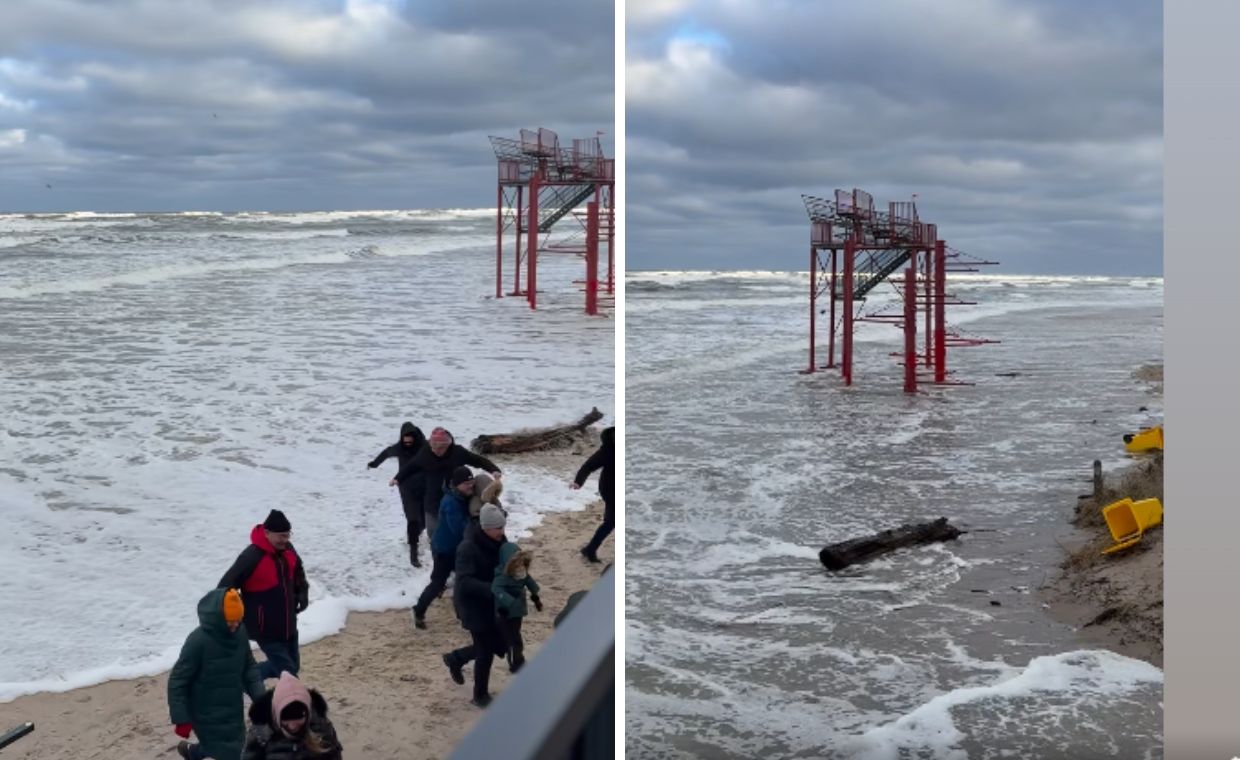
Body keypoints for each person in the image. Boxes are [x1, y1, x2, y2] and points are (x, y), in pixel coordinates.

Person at [168, 588, 266, 760]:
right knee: (231, 752)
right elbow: (178, 680)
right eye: (231, 621)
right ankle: (195, 752)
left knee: (234, 745)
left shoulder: (239, 633)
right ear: (219, 619)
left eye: (238, 620)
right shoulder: (198, 641)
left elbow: (249, 667)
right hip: (204, 711)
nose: (236, 625)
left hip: (233, 706)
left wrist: (261, 698)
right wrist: (181, 718)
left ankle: (193, 752)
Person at [218, 509, 310, 680]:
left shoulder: (288, 549)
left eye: (288, 535)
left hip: (289, 623)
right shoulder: (251, 556)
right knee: (289, 672)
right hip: (264, 629)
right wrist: (233, 617)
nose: (286, 540)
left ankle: (246, 676)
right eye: (281, 536)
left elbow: (298, 570)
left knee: (293, 666)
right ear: (267, 533)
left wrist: (302, 592)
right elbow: (224, 588)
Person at [442, 504, 509, 708]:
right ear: (486, 528)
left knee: (500, 644)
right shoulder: (468, 547)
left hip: (490, 602)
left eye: (503, 527)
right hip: (471, 605)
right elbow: (464, 583)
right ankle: (480, 695)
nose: (502, 532)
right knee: (486, 651)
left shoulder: (499, 540)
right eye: (497, 528)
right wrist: (493, 588)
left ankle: (456, 658)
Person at [390, 427, 502, 541]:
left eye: (441, 447)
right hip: (432, 500)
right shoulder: (425, 453)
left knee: (458, 532)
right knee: (434, 536)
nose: (437, 450)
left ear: (448, 445)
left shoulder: (458, 452)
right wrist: (398, 478)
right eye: (434, 446)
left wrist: (493, 469)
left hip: (456, 498)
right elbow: (411, 466)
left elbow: (477, 460)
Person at [411, 466, 475, 630]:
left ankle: (464, 618)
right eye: (467, 484)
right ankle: (418, 610)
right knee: (438, 583)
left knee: (462, 582)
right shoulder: (450, 502)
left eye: (472, 483)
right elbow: (459, 529)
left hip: (458, 549)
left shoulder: (461, 496)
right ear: (457, 484)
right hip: (445, 551)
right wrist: (477, 522)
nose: (470, 487)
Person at [242, 671, 342, 760]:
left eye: (299, 717)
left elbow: (334, 756)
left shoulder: (321, 727)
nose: (292, 725)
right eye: (286, 718)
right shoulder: (261, 733)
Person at [368, 421, 428, 566]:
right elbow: (386, 453)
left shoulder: (425, 446)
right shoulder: (399, 448)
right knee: (412, 519)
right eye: (404, 439)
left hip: (424, 486)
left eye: (410, 439)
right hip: (406, 487)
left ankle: (415, 535)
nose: (407, 442)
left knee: (424, 520)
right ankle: (413, 553)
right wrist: (374, 464)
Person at [492, 543, 542, 673]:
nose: (520, 566)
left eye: (521, 562)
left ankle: (516, 659)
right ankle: (516, 663)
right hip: (505, 613)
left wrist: (535, 595)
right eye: (516, 563)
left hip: (517, 611)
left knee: (514, 636)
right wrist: (508, 602)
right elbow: (496, 589)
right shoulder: (502, 577)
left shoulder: (521, 573)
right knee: (513, 640)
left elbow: (529, 582)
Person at [571, 425, 614, 563]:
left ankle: (590, 549)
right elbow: (588, 466)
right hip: (610, 489)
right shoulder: (608, 449)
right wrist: (578, 481)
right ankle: (590, 549)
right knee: (611, 522)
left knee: (611, 522)